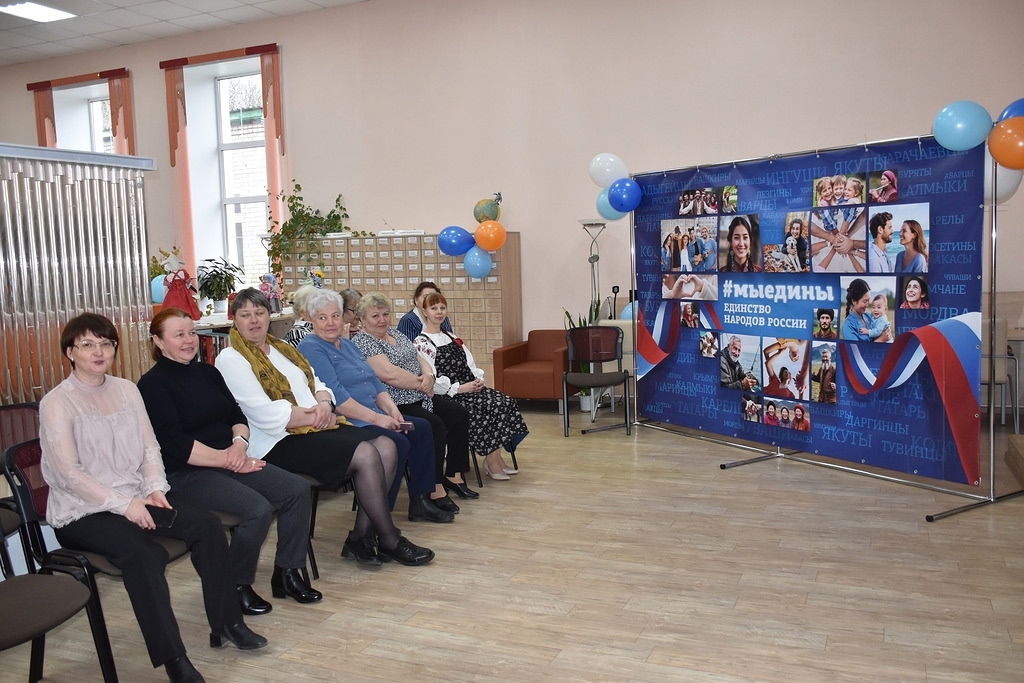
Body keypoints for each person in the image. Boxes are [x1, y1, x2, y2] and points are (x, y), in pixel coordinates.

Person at [39, 313, 267, 683]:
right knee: (144, 554)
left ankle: (228, 624)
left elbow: (150, 449)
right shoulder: (57, 403)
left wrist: (154, 489)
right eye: (87, 345)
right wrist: (126, 505)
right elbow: (68, 474)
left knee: (207, 526)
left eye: (106, 344)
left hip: (139, 497)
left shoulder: (127, 390)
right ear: (70, 352)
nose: (98, 352)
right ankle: (173, 658)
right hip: (84, 511)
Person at [215, 288, 435, 567]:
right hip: (277, 441)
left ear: (269, 316)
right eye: (245, 315)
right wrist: (316, 415)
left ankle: (361, 535)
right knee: (367, 452)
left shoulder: (281, 348)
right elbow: (263, 412)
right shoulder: (231, 358)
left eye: (259, 313)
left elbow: (317, 382)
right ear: (234, 319)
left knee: (387, 446)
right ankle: (389, 538)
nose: (254, 320)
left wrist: (323, 403)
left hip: (314, 426)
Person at [137, 307, 319, 616]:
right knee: (257, 510)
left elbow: (236, 415)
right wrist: (229, 460)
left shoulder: (207, 373)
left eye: (191, 333)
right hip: (187, 473)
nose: (188, 340)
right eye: (179, 335)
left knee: (296, 490)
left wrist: (239, 445)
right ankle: (235, 585)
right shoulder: (152, 385)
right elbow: (177, 446)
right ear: (158, 341)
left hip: (230, 458)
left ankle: (287, 573)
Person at [297, 288, 456, 523]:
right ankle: (379, 516)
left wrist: (392, 411)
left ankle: (420, 501)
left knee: (422, 428)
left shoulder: (347, 344)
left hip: (374, 412)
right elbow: (337, 399)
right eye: (322, 317)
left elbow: (375, 382)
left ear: (344, 317)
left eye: (335, 316)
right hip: (349, 420)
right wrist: (379, 419)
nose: (330, 323)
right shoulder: (311, 347)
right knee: (398, 441)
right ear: (311, 320)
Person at [351, 290, 481, 501]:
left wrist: (428, 375)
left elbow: (419, 357)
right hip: (395, 401)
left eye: (385, 314)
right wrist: (422, 384)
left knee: (458, 414)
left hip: (420, 393)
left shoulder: (396, 334)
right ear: (362, 319)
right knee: (435, 425)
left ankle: (454, 475)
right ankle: (435, 487)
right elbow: (388, 374)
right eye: (375, 316)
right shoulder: (363, 342)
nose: (382, 319)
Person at [415, 291, 528, 481]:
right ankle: (492, 461)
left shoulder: (452, 336)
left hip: (469, 388)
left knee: (504, 401)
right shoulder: (422, 342)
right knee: (487, 407)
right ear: (424, 312)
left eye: (442, 308)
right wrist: (459, 388)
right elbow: (432, 377)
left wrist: (477, 380)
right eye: (434, 308)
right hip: (448, 395)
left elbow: (470, 363)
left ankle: (495, 458)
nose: (439, 312)